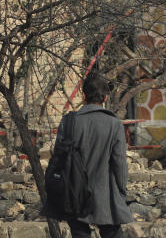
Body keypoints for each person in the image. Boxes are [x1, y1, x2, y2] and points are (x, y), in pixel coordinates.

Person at [41, 75, 134, 238]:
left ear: (83, 96)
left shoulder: (68, 121)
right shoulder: (114, 124)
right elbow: (119, 162)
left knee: (79, 233)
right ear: (105, 97)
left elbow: (58, 157)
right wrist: (121, 189)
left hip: (73, 192)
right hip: (105, 195)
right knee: (113, 233)